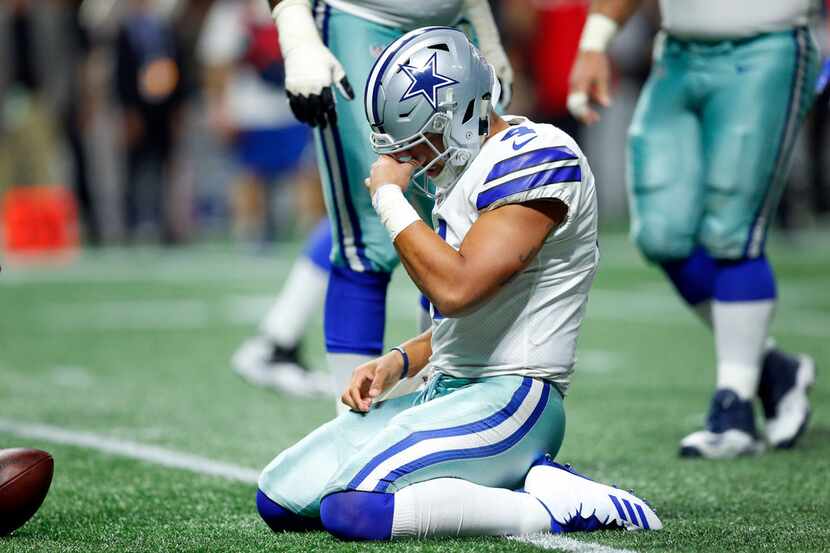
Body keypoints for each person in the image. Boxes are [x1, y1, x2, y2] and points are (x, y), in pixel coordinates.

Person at [255, 27, 662, 541]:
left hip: (515, 397)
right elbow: (475, 313)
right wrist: (400, 360)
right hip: (447, 391)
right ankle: (516, 485)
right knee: (279, 498)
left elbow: (459, 289)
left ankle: (547, 507)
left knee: (352, 509)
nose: (412, 162)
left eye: (419, 145)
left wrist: (389, 201)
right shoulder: (464, 174)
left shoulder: (538, 155)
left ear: (462, 110)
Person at [568, 0, 819, 458]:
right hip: (679, 53)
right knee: (661, 234)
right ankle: (772, 369)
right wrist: (594, 43)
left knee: (734, 230)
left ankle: (735, 407)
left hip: (767, 45)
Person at [266, 0, 514, 413]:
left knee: (464, 227)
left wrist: (482, 24)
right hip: (360, 19)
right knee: (366, 237)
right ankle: (350, 426)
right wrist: (296, 32)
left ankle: (443, 407)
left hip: (451, 28)